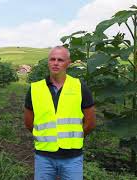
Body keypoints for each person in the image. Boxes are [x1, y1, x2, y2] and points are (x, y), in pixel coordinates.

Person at [24, 46, 96, 180]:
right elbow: (29, 123)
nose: (56, 63)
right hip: (43, 157)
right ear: (48, 62)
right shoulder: (35, 89)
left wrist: (75, 136)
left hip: (72, 158)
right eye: (52, 59)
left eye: (60, 60)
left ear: (68, 63)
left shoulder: (80, 87)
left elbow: (90, 122)